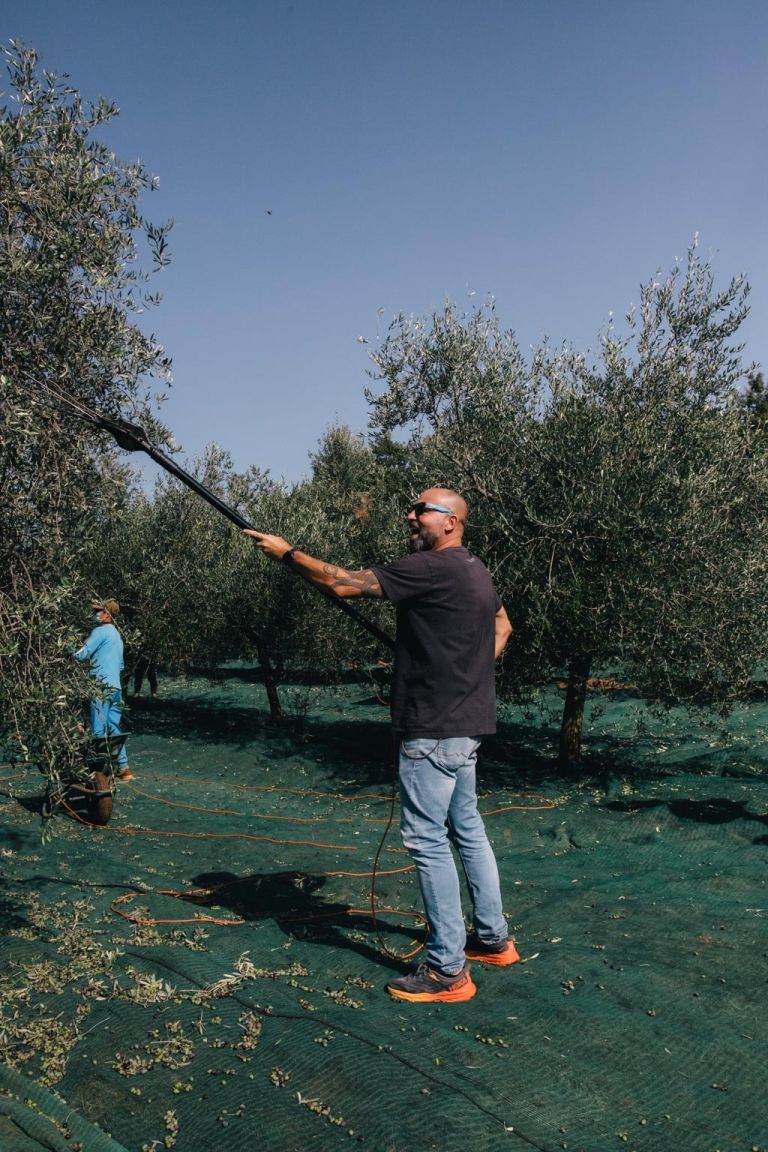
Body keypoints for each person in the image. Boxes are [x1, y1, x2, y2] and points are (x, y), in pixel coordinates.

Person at [245, 487, 516, 1003]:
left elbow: (341, 583)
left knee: (426, 840)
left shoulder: (432, 568)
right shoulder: (475, 570)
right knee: (467, 829)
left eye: (422, 510)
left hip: (433, 728)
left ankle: (446, 972)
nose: (410, 516)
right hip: (466, 724)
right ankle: (493, 939)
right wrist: (466, 668)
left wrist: (286, 553)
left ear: (452, 523)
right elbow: (503, 625)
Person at [74, 598, 132, 781]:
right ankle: (124, 768)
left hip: (100, 687)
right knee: (114, 727)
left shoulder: (100, 632)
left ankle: (100, 773)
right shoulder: (117, 636)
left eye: (98, 611)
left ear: (107, 614)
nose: (95, 614)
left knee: (98, 729)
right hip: (116, 688)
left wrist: (64, 647)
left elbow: (81, 654)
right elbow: (121, 665)